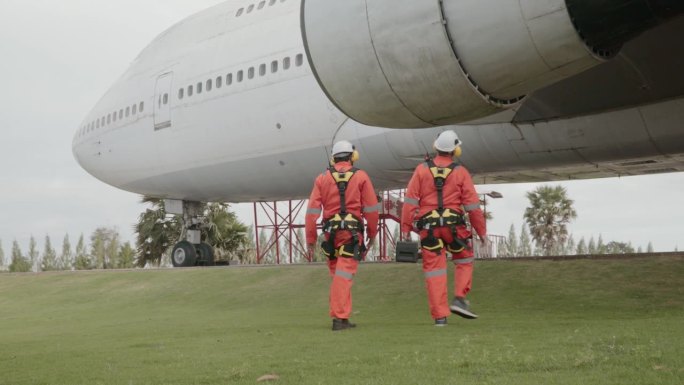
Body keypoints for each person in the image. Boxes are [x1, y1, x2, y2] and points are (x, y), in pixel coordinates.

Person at [400, 130, 487, 326]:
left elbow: (409, 202)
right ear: (456, 150)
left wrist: (405, 228)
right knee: (464, 260)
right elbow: (473, 207)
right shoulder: (461, 172)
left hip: (429, 230)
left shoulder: (421, 170)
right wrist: (482, 233)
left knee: (434, 271)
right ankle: (459, 299)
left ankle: (440, 317)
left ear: (435, 147)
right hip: (454, 228)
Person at [305, 140, 380, 331]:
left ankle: (343, 317)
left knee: (339, 276)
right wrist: (372, 233)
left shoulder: (322, 178)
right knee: (343, 275)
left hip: (331, 235)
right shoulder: (361, 176)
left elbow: (312, 212)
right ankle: (339, 318)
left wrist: (311, 239)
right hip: (351, 234)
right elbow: (371, 209)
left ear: (334, 157)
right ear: (352, 156)